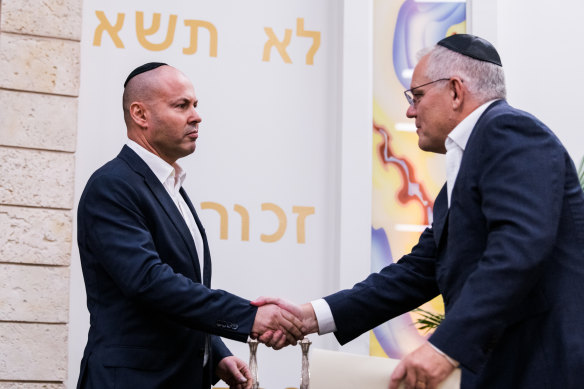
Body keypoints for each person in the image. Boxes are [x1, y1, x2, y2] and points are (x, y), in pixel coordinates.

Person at [255, 34, 584, 389]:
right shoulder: (468, 167)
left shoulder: (510, 132)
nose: (410, 110)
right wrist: (309, 317)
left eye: (418, 96)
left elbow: (519, 248)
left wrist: (444, 349)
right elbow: (417, 272)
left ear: (456, 91)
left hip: (542, 371)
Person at [76, 62, 303, 389]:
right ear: (140, 115)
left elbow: (179, 293)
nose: (196, 116)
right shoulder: (112, 186)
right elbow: (149, 282)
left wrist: (217, 354)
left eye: (195, 105)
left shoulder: (171, 185)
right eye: (181, 105)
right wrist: (249, 318)